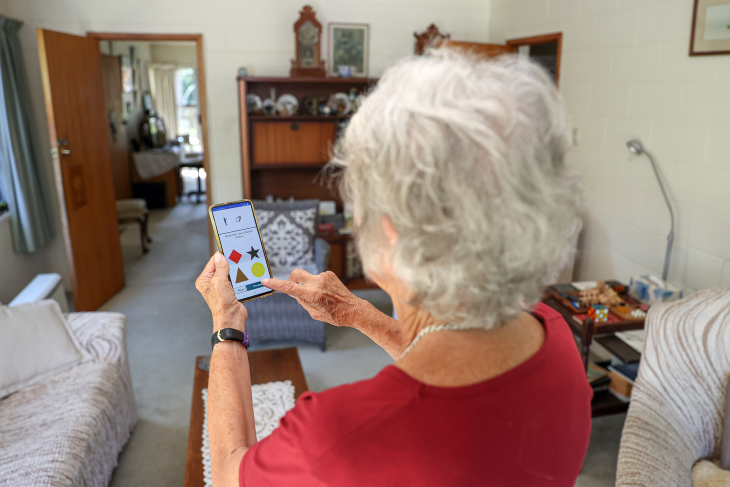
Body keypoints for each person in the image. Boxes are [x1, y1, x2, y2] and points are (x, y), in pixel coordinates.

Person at [195, 49, 591, 487]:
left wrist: (227, 324)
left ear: (392, 231)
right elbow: (456, 375)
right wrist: (356, 313)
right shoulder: (557, 338)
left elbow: (231, 472)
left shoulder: (337, 434)